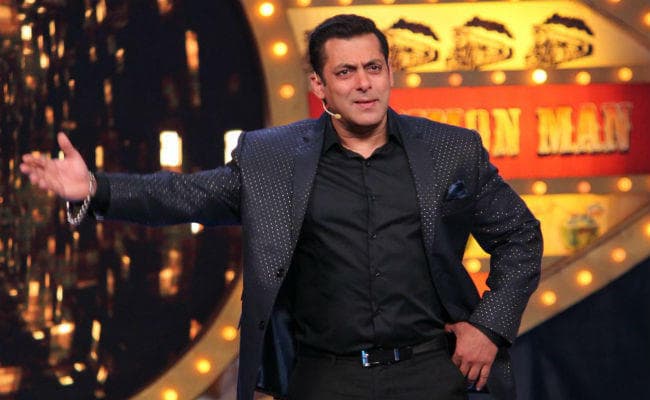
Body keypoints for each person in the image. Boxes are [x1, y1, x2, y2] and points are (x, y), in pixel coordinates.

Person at [21, 14, 542, 400]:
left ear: (389, 73)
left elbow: (519, 235)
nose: (363, 83)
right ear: (319, 85)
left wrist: (488, 325)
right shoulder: (273, 159)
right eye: (345, 72)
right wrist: (97, 188)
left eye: (373, 68)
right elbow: (187, 195)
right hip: (324, 377)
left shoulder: (450, 151)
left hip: (430, 373)